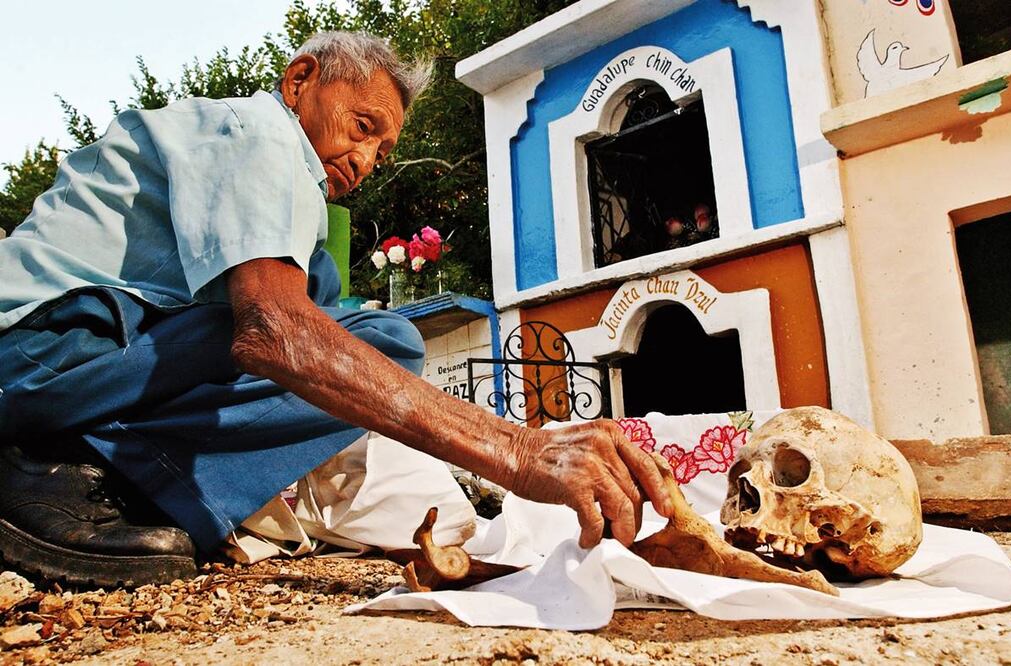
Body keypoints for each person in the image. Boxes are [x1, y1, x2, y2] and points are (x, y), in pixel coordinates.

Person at [0, 32, 671, 587]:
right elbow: (277, 333)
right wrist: (519, 450)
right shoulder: (259, 134)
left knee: (362, 329)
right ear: (299, 82)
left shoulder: (282, 188)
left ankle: (100, 469)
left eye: (382, 151)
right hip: (40, 352)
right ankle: (68, 473)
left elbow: (306, 330)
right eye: (362, 126)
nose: (366, 159)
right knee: (366, 340)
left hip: (64, 360)